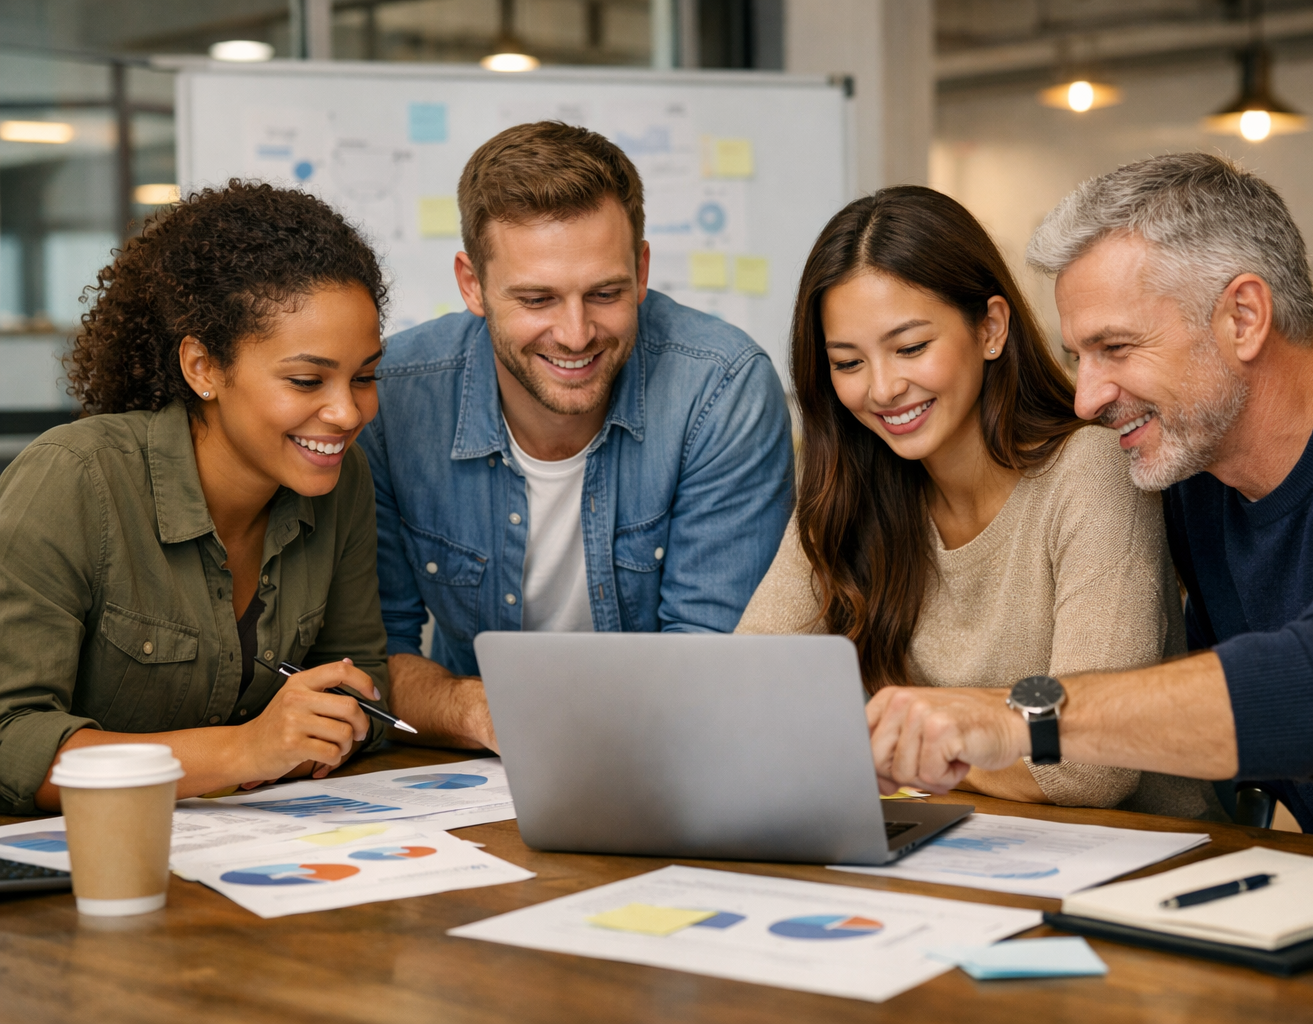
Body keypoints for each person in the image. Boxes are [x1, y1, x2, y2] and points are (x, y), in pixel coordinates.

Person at [863, 154, 1313, 861]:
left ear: (1243, 317)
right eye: (1077, 358)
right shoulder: (1197, 481)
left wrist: (1019, 718)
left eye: (1115, 348)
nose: (1086, 399)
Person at [736, 185, 1220, 819]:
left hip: (1133, 859)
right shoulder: (846, 488)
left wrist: (878, 756)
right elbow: (746, 695)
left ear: (990, 329)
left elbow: (1086, 769)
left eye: (911, 348)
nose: (883, 388)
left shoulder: (1091, 473)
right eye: (848, 362)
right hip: (952, 848)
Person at [360, 121, 794, 751]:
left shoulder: (721, 389)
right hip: (473, 765)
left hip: (667, 753)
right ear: (471, 285)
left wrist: (553, 727)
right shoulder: (393, 395)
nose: (575, 333)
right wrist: (479, 710)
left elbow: (713, 664)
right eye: (537, 299)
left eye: (605, 293)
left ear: (642, 270)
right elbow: (373, 657)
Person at [0, 182, 395, 814]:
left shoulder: (342, 483)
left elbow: (362, 684)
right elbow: (9, 737)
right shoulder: (75, 480)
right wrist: (243, 752)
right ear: (202, 367)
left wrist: (340, 726)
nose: (348, 412)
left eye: (366, 376)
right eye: (305, 379)